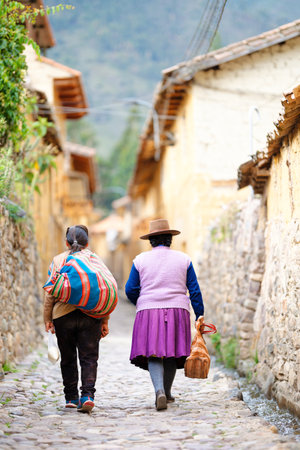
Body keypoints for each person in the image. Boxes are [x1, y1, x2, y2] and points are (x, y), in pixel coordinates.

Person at [125, 219, 204, 411]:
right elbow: (194, 290)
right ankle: (167, 393)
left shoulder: (140, 260)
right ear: (170, 239)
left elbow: (130, 289)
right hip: (178, 310)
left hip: (148, 311)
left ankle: (159, 391)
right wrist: (199, 314)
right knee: (171, 352)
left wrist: (143, 302)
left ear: (151, 240)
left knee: (153, 352)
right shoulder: (184, 259)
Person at [44, 225, 110, 413]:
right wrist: (105, 320)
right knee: (89, 357)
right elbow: (104, 290)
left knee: (68, 357)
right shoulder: (94, 260)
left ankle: (71, 397)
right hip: (91, 316)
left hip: (63, 316)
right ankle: (87, 395)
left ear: (66, 242)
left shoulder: (58, 260)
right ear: (87, 243)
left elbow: (50, 293)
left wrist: (47, 318)